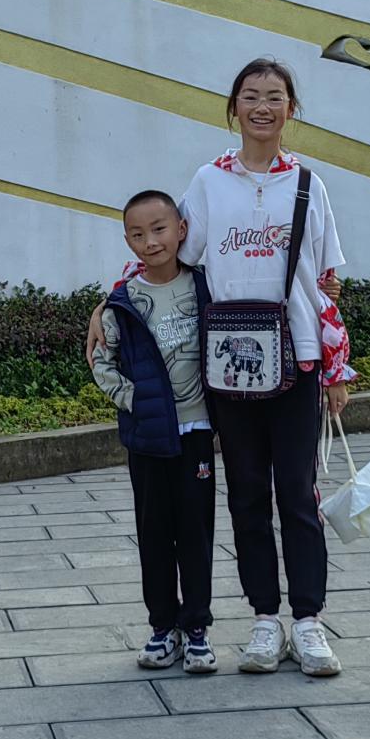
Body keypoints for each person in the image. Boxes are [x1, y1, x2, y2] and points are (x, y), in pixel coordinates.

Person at [88, 57, 355, 678]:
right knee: (247, 497)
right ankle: (265, 619)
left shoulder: (309, 185)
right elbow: (166, 255)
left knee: (299, 494)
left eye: (275, 96)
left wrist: (335, 370)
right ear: (233, 107)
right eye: (250, 96)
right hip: (229, 367)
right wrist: (109, 302)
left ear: (291, 109)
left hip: (298, 360)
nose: (263, 107)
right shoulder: (209, 182)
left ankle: (308, 621)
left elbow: (325, 285)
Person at [89, 189, 219, 675]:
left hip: (196, 433)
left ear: (181, 230)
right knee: (154, 534)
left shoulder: (206, 286)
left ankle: (197, 629)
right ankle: (163, 627)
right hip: (147, 438)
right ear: (128, 241)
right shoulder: (122, 303)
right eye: (138, 234)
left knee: (196, 533)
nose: (151, 241)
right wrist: (135, 402)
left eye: (160, 229)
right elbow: (101, 362)